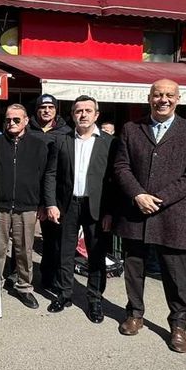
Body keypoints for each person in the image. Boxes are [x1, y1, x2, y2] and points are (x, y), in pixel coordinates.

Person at [113, 79, 186, 353]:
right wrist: (138, 195)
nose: (163, 99)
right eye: (157, 95)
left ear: (178, 99)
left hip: (173, 213)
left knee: (176, 274)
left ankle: (178, 325)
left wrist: (160, 199)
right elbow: (121, 167)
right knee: (134, 269)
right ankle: (135, 314)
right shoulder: (132, 129)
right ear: (149, 98)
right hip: (136, 211)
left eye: (168, 95)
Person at [43, 95, 117, 323]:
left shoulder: (110, 142)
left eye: (87, 110)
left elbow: (115, 180)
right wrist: (51, 203)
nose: (83, 114)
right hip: (68, 205)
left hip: (96, 207)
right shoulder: (62, 140)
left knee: (96, 255)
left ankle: (94, 299)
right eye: (78, 111)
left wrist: (110, 212)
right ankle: (64, 295)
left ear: (96, 114)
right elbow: (51, 174)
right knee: (65, 252)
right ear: (72, 115)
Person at [0, 104, 51, 309]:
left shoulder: (38, 145)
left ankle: (24, 286)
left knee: (24, 249)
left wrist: (44, 204)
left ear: (26, 120)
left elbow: (46, 176)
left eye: (16, 119)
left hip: (27, 206)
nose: (11, 123)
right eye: (8, 119)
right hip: (0, 205)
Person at [28, 94, 72, 295]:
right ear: (37, 110)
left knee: (53, 241)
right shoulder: (27, 130)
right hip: (29, 192)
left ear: (56, 110)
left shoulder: (66, 132)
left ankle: (50, 278)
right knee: (23, 239)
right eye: (42, 107)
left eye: (50, 107)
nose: (46, 110)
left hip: (55, 194)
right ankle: (18, 275)